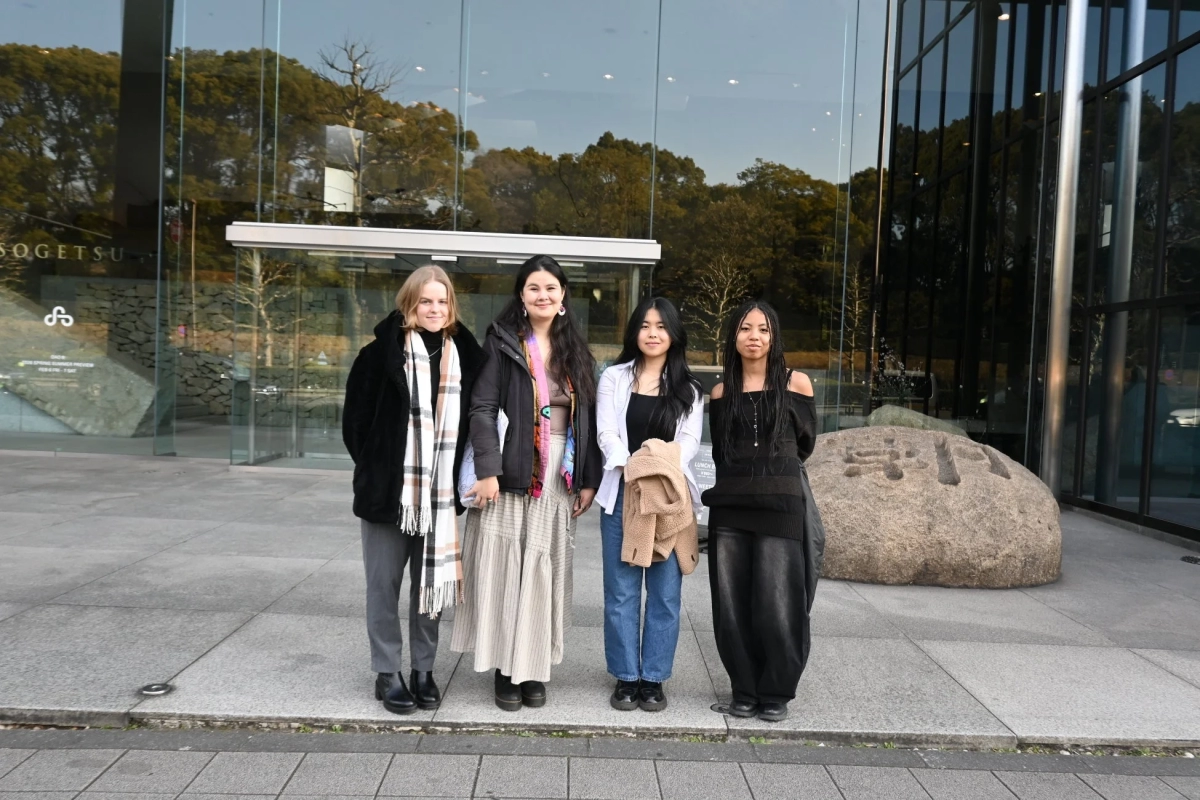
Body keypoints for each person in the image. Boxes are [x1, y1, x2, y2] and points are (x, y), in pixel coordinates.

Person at [450, 254, 602, 711]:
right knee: (505, 570)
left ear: (562, 297)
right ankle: (504, 669)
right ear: (522, 295)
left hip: (558, 477)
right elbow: (481, 409)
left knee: (542, 570)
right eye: (534, 288)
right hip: (511, 474)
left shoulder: (576, 351)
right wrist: (488, 471)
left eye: (551, 288)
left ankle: (533, 667)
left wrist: (588, 479)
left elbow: (587, 421)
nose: (543, 295)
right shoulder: (501, 343)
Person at [342, 265, 485, 715]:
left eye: (442, 301)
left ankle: (424, 669)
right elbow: (355, 425)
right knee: (383, 585)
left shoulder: (466, 354)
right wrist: (381, 468)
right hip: (389, 497)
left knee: (431, 585)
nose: (435, 309)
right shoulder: (377, 354)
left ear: (452, 306)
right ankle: (387, 672)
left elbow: (478, 419)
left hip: (439, 497)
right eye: (426, 301)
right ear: (410, 303)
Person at [701, 300, 820, 723]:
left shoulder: (797, 383)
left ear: (774, 337)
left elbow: (804, 443)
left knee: (778, 602)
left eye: (764, 329)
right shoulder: (720, 393)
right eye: (746, 328)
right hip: (730, 508)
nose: (754, 336)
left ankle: (776, 691)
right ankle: (744, 689)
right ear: (733, 337)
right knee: (732, 605)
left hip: (781, 506)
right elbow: (721, 451)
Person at [595, 297, 704, 712]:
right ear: (634, 332)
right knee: (621, 592)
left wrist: (654, 466)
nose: (653, 333)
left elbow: (688, 445)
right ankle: (626, 676)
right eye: (644, 325)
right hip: (623, 491)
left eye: (661, 326)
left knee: (664, 593)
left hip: (669, 495)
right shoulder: (614, 377)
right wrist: (633, 467)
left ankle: (654, 678)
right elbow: (606, 432)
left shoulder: (689, 390)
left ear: (673, 334)